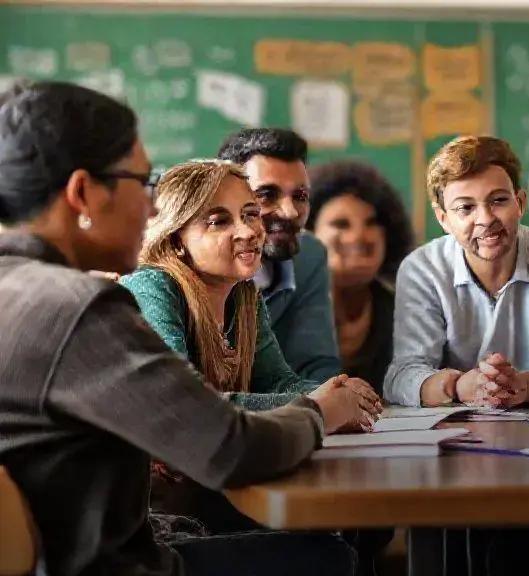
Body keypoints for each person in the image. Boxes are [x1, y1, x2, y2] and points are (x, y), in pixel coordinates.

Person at [0, 81, 363, 576]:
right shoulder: (79, 306)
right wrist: (318, 412)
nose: (153, 208)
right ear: (83, 192)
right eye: (142, 182)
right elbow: (228, 448)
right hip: (114, 566)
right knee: (328, 557)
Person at [119, 159, 380, 533]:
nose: (249, 231)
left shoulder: (244, 294)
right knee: (327, 547)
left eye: (250, 214)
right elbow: (189, 405)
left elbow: (276, 384)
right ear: (176, 239)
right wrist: (317, 406)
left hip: (214, 483)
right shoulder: (152, 287)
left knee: (351, 526)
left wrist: (342, 391)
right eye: (219, 220)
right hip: (154, 516)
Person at [384, 135, 529, 409]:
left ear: (520, 203)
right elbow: (400, 378)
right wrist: (460, 386)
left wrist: (527, 385)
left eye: (498, 201)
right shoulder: (422, 269)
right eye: (465, 208)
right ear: (443, 218)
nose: (485, 219)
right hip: (454, 432)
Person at [217, 128, 341, 382]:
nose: (290, 212)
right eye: (266, 195)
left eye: (300, 196)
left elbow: (316, 365)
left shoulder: (308, 257)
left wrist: (340, 397)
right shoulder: (178, 268)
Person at [308, 160, 414, 394]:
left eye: (372, 223)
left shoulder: (406, 311)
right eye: (341, 224)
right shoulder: (281, 311)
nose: (358, 235)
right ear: (307, 234)